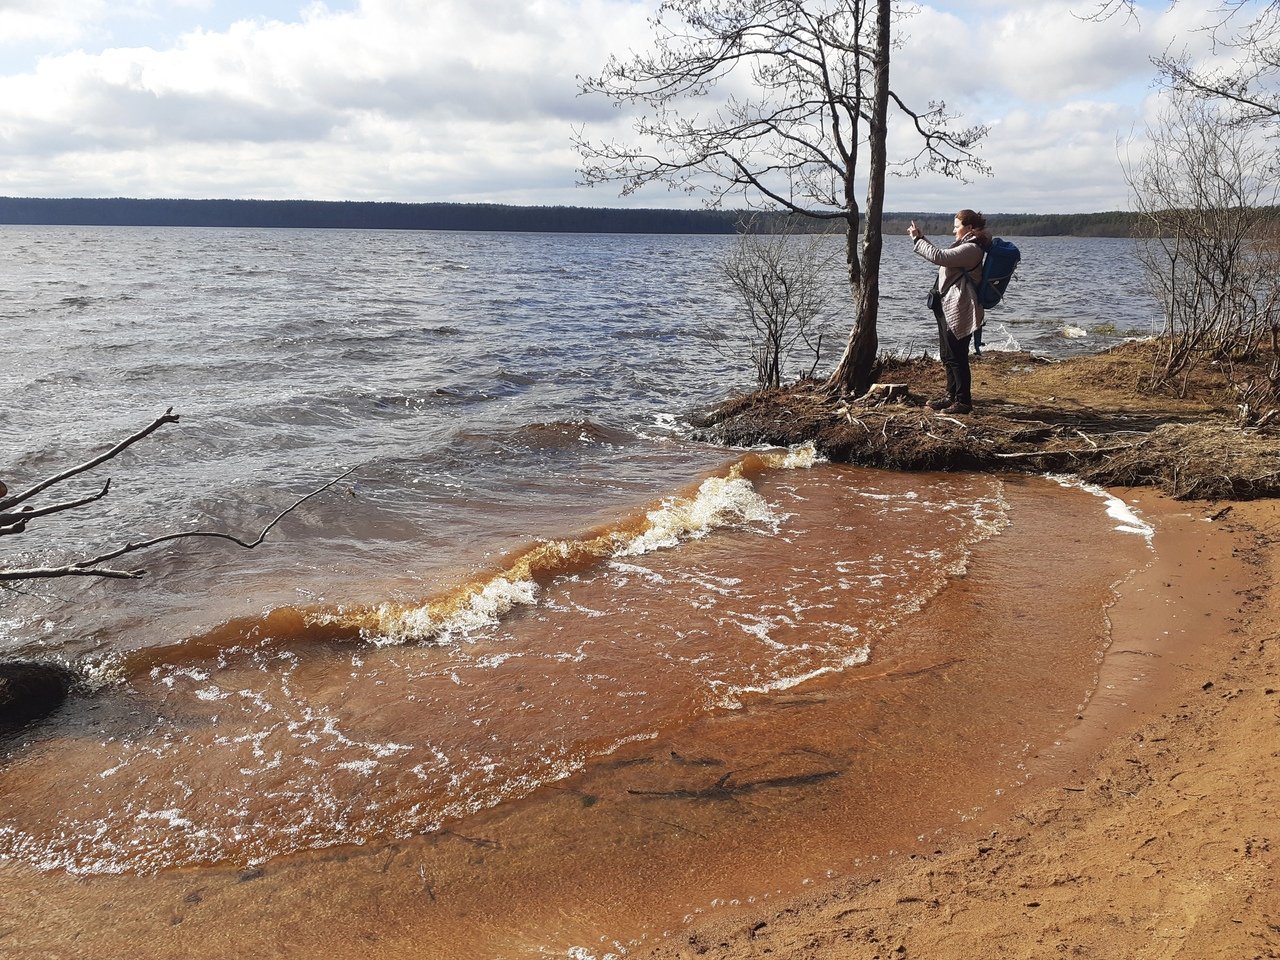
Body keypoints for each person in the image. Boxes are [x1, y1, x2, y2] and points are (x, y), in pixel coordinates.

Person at [907, 210, 992, 415]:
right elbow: (943, 258)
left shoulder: (972, 248)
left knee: (957, 355)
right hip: (948, 305)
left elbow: (940, 256)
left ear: (970, 228)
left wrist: (918, 239)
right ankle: (951, 396)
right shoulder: (967, 245)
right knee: (947, 354)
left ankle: (964, 401)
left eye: (957, 226)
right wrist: (922, 238)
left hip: (960, 308)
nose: (954, 230)